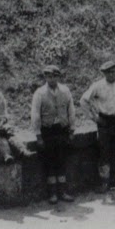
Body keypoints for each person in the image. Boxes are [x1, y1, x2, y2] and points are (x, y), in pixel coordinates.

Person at [80, 59, 115, 192]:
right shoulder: (97, 86)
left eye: (113, 71)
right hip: (105, 122)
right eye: (108, 72)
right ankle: (104, 182)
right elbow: (83, 101)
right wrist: (94, 118)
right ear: (104, 74)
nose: (111, 74)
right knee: (104, 152)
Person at [30, 64, 75, 204]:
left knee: (61, 160)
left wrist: (72, 129)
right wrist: (38, 135)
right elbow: (35, 115)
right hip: (47, 131)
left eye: (54, 76)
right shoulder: (40, 93)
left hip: (61, 130)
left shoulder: (65, 90)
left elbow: (71, 110)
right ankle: (52, 193)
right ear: (45, 77)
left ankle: (63, 191)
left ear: (58, 77)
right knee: (50, 162)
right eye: (49, 76)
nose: (52, 78)